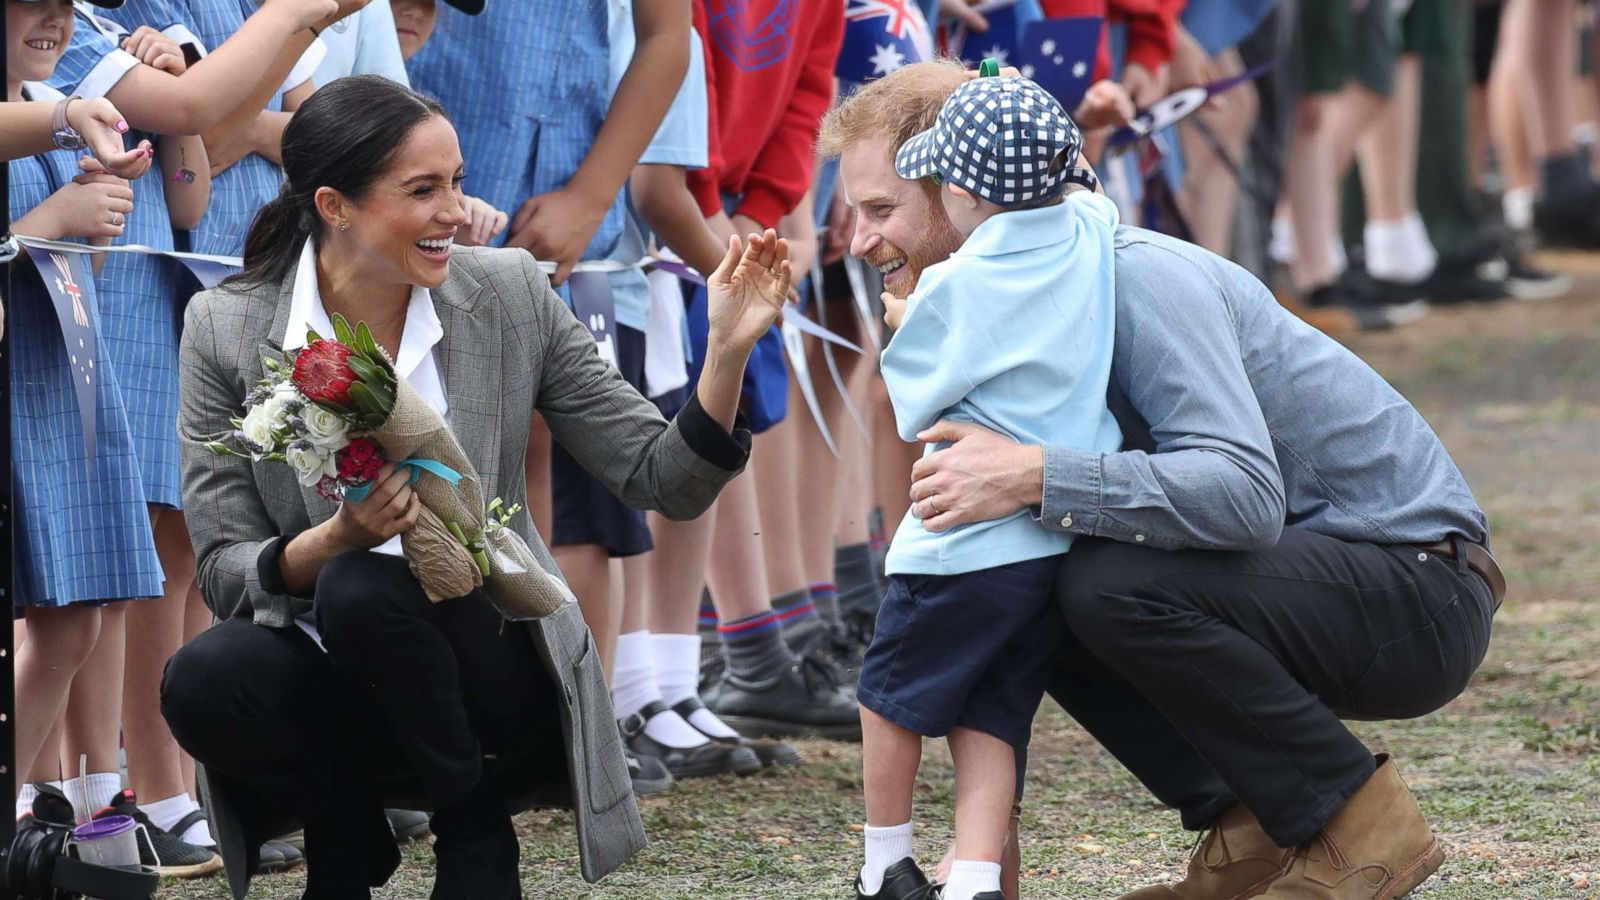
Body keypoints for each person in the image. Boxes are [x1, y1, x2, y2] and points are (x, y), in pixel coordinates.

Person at [822, 60, 1501, 900]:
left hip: (1418, 585)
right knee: (1022, 581)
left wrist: (1040, 473)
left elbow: (1246, 496)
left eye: (881, 209)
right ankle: (1256, 824)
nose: (858, 241)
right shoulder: (1004, 309)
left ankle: (1363, 827)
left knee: (1100, 577)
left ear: (961, 189)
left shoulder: (1133, 273)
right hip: (1324, 578)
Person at [159, 75, 789, 900]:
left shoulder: (510, 289)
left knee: (363, 590)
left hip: (491, 672)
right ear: (334, 205)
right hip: (334, 678)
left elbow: (660, 479)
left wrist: (727, 354)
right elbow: (223, 569)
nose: (458, 210)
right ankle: (346, 835)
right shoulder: (227, 324)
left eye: (456, 181)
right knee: (204, 675)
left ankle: (476, 839)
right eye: (424, 190)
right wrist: (334, 538)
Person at [855, 75, 1123, 900]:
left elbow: (916, 404)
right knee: (994, 716)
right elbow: (1094, 194)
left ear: (965, 196)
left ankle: (884, 861)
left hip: (957, 542)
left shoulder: (955, 288)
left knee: (887, 696)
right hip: (1049, 535)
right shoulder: (1088, 229)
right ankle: (974, 877)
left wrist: (905, 322)